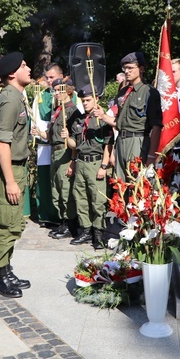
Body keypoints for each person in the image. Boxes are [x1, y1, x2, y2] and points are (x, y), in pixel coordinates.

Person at [0, 52, 33, 298]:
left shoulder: (16, 97)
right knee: (5, 224)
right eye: (24, 66)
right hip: (8, 169)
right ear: (13, 73)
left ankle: (5, 268)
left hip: (15, 167)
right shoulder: (11, 100)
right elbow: (2, 143)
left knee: (14, 223)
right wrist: (10, 181)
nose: (29, 68)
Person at [94, 52, 162, 181]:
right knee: (120, 184)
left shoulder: (149, 92)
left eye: (130, 68)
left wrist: (152, 156)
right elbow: (118, 122)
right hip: (121, 141)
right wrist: (103, 115)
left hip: (138, 141)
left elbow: (157, 126)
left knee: (136, 183)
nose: (126, 71)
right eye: (125, 68)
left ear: (141, 69)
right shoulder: (122, 93)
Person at [32, 78, 80, 240]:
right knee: (56, 189)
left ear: (69, 91)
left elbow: (76, 139)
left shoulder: (73, 111)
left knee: (65, 189)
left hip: (65, 153)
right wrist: (39, 133)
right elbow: (51, 136)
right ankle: (63, 221)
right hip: (54, 151)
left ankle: (71, 223)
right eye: (55, 90)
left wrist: (73, 160)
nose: (57, 93)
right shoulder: (57, 111)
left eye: (60, 90)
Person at [70, 85, 113, 249]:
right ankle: (86, 230)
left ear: (97, 99)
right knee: (81, 198)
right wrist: (67, 140)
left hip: (96, 163)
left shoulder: (102, 119)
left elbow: (109, 145)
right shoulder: (79, 120)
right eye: (83, 101)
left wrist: (103, 166)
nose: (85, 103)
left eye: (88, 100)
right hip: (81, 162)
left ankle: (99, 233)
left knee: (98, 199)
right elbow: (76, 145)